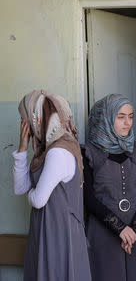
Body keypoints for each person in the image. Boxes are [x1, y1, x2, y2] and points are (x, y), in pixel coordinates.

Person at [12, 90, 91, 281]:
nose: (26, 127)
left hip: (59, 233)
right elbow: (19, 188)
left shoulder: (59, 152)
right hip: (46, 229)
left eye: (25, 120)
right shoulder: (45, 150)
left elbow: (38, 200)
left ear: (37, 118)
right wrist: (22, 150)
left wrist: (33, 192)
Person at [83, 94, 136, 281]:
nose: (127, 122)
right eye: (120, 117)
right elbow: (87, 198)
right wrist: (120, 229)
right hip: (103, 232)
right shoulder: (88, 153)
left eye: (131, 116)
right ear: (106, 118)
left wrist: (134, 229)